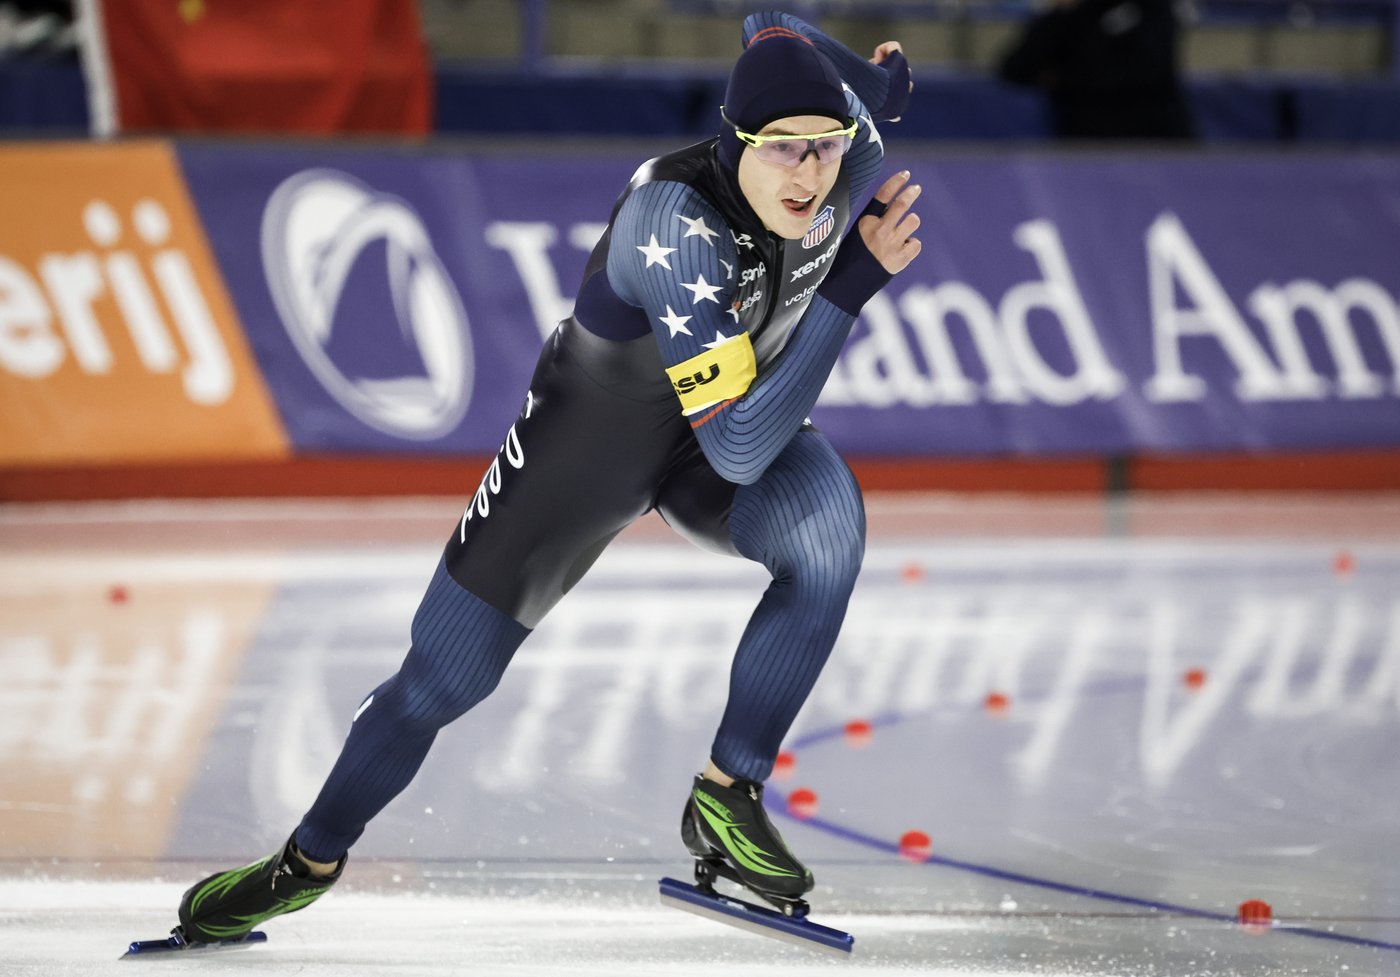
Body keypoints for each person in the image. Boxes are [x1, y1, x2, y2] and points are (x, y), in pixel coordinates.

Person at [174, 9, 920, 942]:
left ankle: (728, 795)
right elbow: (738, 447)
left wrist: (876, 89)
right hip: (591, 448)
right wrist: (846, 289)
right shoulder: (675, 221)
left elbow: (766, 21)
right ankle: (307, 857)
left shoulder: (841, 143)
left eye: (825, 147)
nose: (810, 175)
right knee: (440, 682)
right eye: (782, 152)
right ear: (735, 143)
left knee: (828, 528)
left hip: (711, 432)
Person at [997, 0, 1194, 141]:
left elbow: (1146, 73)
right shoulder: (1069, 14)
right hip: (1086, 142)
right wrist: (1061, 14)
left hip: (1156, 139)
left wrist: (1065, 79)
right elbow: (1015, 68)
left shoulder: (1151, 7)